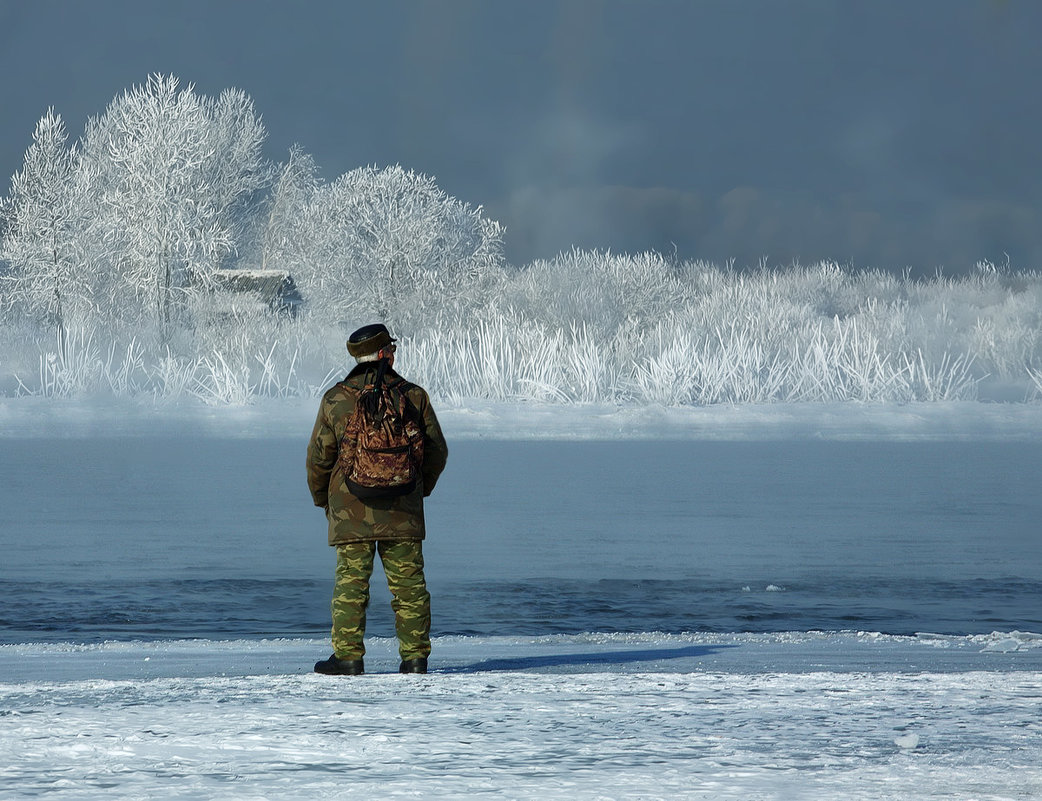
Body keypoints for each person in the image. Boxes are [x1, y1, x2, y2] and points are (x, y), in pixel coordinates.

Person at [307, 323, 448, 675]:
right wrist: (417, 489)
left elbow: (319, 459)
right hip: (404, 511)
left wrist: (325, 502)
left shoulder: (336, 400)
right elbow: (437, 451)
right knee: (410, 588)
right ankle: (415, 659)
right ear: (388, 354)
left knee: (351, 587)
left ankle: (349, 658)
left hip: (350, 513)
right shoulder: (413, 396)